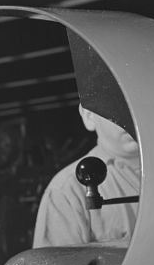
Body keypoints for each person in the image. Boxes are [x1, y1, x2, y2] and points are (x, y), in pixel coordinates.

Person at [32, 104, 140, 247]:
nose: (129, 116)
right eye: (118, 106)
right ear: (89, 115)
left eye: (134, 104)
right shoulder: (66, 191)